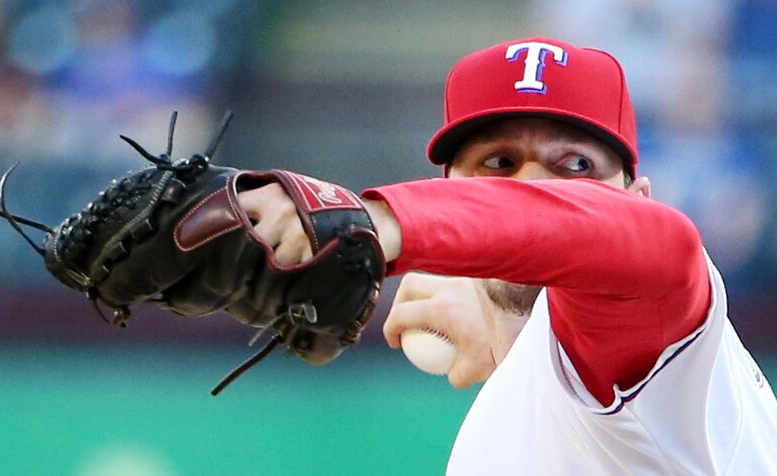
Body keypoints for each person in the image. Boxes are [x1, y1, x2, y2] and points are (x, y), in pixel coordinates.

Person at [237, 37, 777, 474]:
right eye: (498, 163)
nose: (532, 189)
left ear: (638, 201)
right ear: (449, 189)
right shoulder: (527, 382)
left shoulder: (672, 333)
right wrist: (512, 328)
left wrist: (373, 221)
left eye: (575, 168)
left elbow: (653, 247)